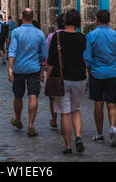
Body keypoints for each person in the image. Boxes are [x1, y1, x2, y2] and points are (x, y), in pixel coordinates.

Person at [84, 10, 116, 148]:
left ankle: (100, 134)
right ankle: (112, 127)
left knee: (98, 103)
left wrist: (90, 72)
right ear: (109, 20)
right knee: (112, 103)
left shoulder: (91, 36)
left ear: (96, 20)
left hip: (97, 73)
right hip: (113, 73)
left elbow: (87, 59)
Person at [47, 9, 86, 155]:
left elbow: (51, 61)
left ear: (65, 21)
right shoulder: (82, 37)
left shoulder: (57, 37)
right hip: (79, 78)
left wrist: (47, 76)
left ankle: (68, 146)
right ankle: (78, 136)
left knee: (65, 113)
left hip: (62, 79)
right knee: (76, 109)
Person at [8, 8, 48, 137]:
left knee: (18, 95)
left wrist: (10, 68)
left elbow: (12, 51)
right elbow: (43, 55)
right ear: (33, 17)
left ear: (22, 17)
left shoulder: (16, 32)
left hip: (19, 68)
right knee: (33, 95)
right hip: (34, 68)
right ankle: (31, 125)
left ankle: (18, 119)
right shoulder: (40, 33)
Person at [43, 13, 65, 130]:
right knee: (65, 96)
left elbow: (47, 54)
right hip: (69, 71)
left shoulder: (52, 36)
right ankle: (63, 118)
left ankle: (54, 120)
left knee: (53, 96)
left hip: (55, 70)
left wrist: (46, 70)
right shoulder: (75, 35)